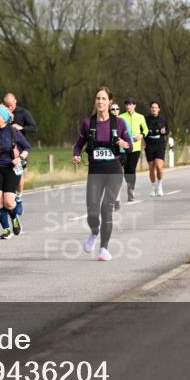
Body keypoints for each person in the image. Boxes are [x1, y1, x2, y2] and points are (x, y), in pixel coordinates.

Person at [73, 87, 132, 262]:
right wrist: (76, 155)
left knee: (106, 209)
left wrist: (124, 143)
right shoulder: (88, 123)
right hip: (95, 171)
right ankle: (94, 232)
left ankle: (104, 249)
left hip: (114, 170)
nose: (100, 101)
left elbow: (128, 143)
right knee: (92, 211)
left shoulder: (119, 123)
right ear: (95, 101)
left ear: (110, 102)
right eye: (98, 98)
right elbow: (78, 144)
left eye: (104, 99)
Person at [0, 105, 31, 239]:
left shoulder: (13, 131)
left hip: (12, 168)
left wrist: (20, 158)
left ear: (4, 118)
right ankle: (6, 229)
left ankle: (14, 217)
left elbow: (27, 147)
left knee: (9, 202)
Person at [3, 93, 36, 216]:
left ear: (15, 102)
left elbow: (34, 127)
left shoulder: (23, 112)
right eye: (7, 105)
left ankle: (19, 199)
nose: (9, 107)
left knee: (18, 174)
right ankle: (8, 201)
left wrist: (21, 128)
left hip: (21, 149)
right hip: (5, 151)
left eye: (11, 105)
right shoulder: (2, 113)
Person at [119, 98, 149, 202]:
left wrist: (141, 135)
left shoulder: (140, 117)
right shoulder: (121, 117)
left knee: (131, 168)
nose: (128, 106)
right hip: (124, 147)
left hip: (136, 147)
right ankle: (129, 185)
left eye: (130, 104)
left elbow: (146, 129)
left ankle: (131, 189)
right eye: (126, 104)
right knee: (126, 169)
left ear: (134, 105)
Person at [144, 101, 170, 197]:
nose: (154, 109)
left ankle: (159, 186)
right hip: (150, 145)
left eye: (156, 107)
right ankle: (153, 187)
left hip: (160, 144)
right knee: (151, 167)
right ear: (150, 109)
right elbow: (142, 130)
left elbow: (167, 130)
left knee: (159, 166)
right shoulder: (146, 119)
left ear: (158, 109)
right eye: (152, 107)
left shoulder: (163, 119)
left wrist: (164, 132)